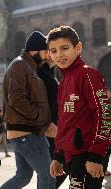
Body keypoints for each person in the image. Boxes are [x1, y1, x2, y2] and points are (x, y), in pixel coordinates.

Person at [48, 25, 111, 189]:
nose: (59, 54)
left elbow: (104, 114)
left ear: (78, 48)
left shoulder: (88, 75)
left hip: (90, 155)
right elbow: (64, 121)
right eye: (53, 51)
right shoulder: (63, 83)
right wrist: (58, 155)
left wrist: (97, 155)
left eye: (64, 48)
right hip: (72, 155)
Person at [1, 31, 56, 189]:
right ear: (35, 50)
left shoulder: (30, 66)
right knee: (48, 176)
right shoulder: (20, 65)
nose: (47, 55)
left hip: (24, 133)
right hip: (27, 133)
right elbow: (16, 99)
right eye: (45, 51)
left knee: (23, 177)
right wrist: (42, 120)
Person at [38, 55, 67, 188]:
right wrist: (46, 123)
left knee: (60, 165)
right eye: (52, 51)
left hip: (58, 124)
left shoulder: (51, 72)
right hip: (50, 126)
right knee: (56, 165)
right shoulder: (41, 72)